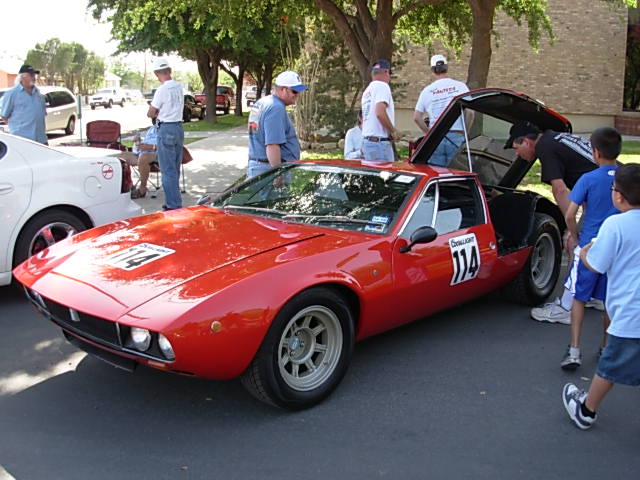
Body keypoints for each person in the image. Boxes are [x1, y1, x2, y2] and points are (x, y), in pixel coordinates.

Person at [562, 163, 640, 430]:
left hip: (631, 312)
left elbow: (596, 264)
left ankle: (586, 410)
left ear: (618, 196)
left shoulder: (615, 224)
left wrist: (585, 251)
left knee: (610, 366)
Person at [505, 121, 598, 324]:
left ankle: (566, 308)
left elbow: (559, 190)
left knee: (578, 248)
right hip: (619, 187)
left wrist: (570, 229)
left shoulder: (545, 148)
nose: (516, 154)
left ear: (528, 142)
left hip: (610, 194)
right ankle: (593, 295)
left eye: (516, 147)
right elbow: (585, 173)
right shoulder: (554, 138)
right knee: (599, 247)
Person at [560, 127, 621, 370]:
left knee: (579, 297)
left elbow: (570, 214)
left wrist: (575, 236)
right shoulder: (626, 177)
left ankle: (574, 350)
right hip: (617, 247)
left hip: (590, 246)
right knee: (609, 300)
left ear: (595, 152)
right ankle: (606, 348)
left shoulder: (587, 179)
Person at [247, 71, 308, 178]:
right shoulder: (276, 108)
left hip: (258, 167)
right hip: (269, 170)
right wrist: (278, 174)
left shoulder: (262, 103)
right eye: (294, 91)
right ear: (283, 89)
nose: (297, 95)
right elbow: (272, 145)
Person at [414, 55, 469, 166]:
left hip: (436, 138)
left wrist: (429, 133)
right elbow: (471, 112)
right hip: (456, 136)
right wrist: (465, 132)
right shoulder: (460, 86)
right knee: (456, 174)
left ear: (432, 70)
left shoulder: (427, 91)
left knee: (437, 174)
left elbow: (416, 117)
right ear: (446, 68)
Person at [147, 58, 184, 210]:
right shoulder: (178, 87)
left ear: (157, 74)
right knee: (174, 168)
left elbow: (151, 112)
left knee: (167, 170)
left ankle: (173, 204)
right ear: (169, 71)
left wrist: (153, 110)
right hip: (178, 127)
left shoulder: (162, 89)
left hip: (166, 128)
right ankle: (175, 200)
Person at [0, 65, 47, 144]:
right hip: (22, 141)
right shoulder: (12, 94)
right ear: (22, 77)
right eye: (31, 75)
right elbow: (4, 116)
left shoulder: (39, 94)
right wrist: (18, 126)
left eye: (34, 75)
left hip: (40, 140)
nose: (34, 78)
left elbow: (41, 115)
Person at [361, 59, 396, 162]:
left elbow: (365, 119)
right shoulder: (382, 86)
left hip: (367, 142)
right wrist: (393, 131)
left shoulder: (367, 91)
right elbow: (380, 113)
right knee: (386, 177)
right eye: (389, 73)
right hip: (379, 145)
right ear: (386, 72)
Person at [119, 119, 159, 199]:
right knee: (120, 157)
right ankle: (128, 184)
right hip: (141, 153)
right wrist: (138, 141)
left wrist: (151, 147)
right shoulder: (152, 128)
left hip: (157, 154)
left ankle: (142, 189)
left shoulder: (167, 129)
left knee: (143, 158)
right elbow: (146, 141)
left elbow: (168, 146)